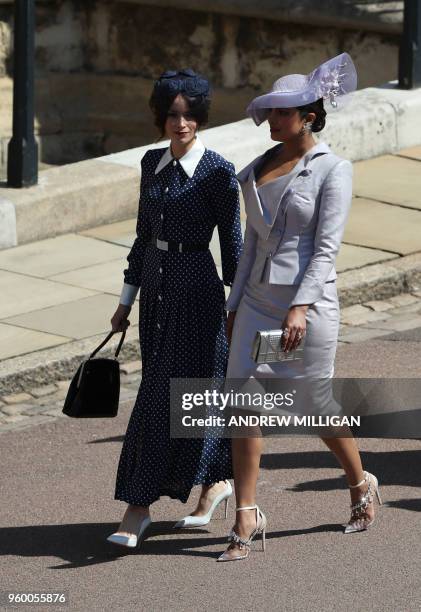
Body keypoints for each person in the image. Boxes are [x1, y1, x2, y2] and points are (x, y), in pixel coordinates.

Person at [217, 53, 382, 562]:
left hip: (305, 308)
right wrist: (235, 301)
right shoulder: (256, 170)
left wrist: (301, 308)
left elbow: (327, 249)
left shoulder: (333, 169)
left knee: (315, 406)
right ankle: (246, 514)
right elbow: (249, 245)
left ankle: (360, 482)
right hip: (257, 304)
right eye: (269, 112)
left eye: (281, 113)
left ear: (308, 115)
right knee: (242, 404)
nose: (271, 120)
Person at [107, 69, 243, 548]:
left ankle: (138, 506)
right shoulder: (150, 164)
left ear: (201, 117)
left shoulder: (218, 171)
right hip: (156, 293)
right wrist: (125, 300)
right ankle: (215, 483)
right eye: (171, 113)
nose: (179, 122)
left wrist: (238, 308)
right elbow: (143, 237)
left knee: (180, 395)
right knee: (173, 392)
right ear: (160, 116)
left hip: (199, 292)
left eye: (188, 114)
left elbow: (233, 247)